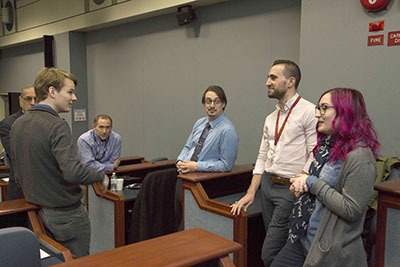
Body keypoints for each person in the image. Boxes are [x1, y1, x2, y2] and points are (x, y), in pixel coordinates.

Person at [271, 88, 380, 267]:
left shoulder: (360, 156)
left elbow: (351, 209)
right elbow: (312, 180)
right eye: (318, 108)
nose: (317, 115)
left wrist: (312, 183)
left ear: (345, 113)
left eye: (324, 108)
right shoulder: (327, 146)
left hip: (328, 250)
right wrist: (302, 185)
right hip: (304, 236)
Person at [10, 67, 109, 258]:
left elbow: (19, 174)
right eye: (70, 92)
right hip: (67, 215)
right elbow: (72, 171)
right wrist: (99, 176)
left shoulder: (18, 124)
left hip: (36, 212)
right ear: (52, 91)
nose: (74, 98)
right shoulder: (57, 125)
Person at [231, 59, 317, 266]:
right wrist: (252, 191)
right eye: (268, 77)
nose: (267, 82)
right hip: (268, 187)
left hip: (290, 189)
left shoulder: (309, 111)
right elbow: (262, 156)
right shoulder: (271, 117)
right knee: (278, 246)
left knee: (269, 253)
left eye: (273, 77)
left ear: (290, 81)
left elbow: (314, 154)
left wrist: (301, 181)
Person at [176, 85, 239, 173]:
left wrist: (197, 166)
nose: (212, 105)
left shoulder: (227, 130)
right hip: (184, 173)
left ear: (223, 104)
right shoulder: (199, 123)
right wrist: (180, 161)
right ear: (204, 104)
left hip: (204, 179)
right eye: (208, 101)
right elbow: (188, 147)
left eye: (216, 102)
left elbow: (226, 165)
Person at [0, 85, 35, 200]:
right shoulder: (8, 124)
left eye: (36, 99)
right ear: (20, 101)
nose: (33, 103)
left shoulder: (47, 123)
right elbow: (16, 154)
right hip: (21, 186)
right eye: (29, 99)